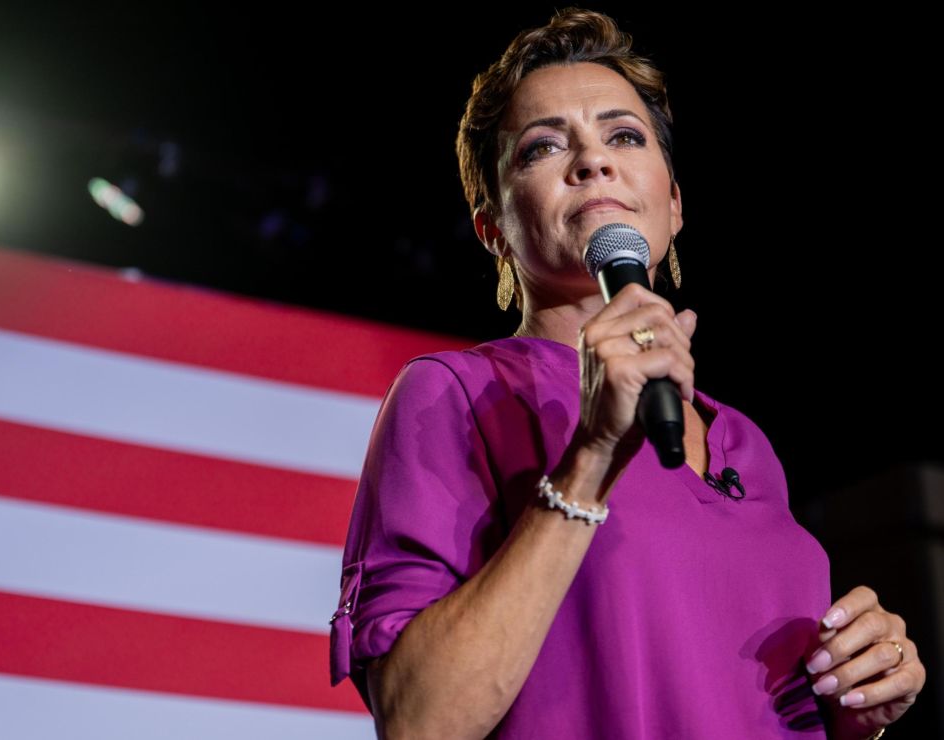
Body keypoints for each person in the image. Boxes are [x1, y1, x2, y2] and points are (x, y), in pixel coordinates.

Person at [328, 7, 925, 738]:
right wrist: (591, 461)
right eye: (542, 148)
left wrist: (858, 703)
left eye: (624, 135)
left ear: (673, 204)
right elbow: (421, 719)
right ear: (493, 227)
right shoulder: (453, 395)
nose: (592, 160)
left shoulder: (750, 446)